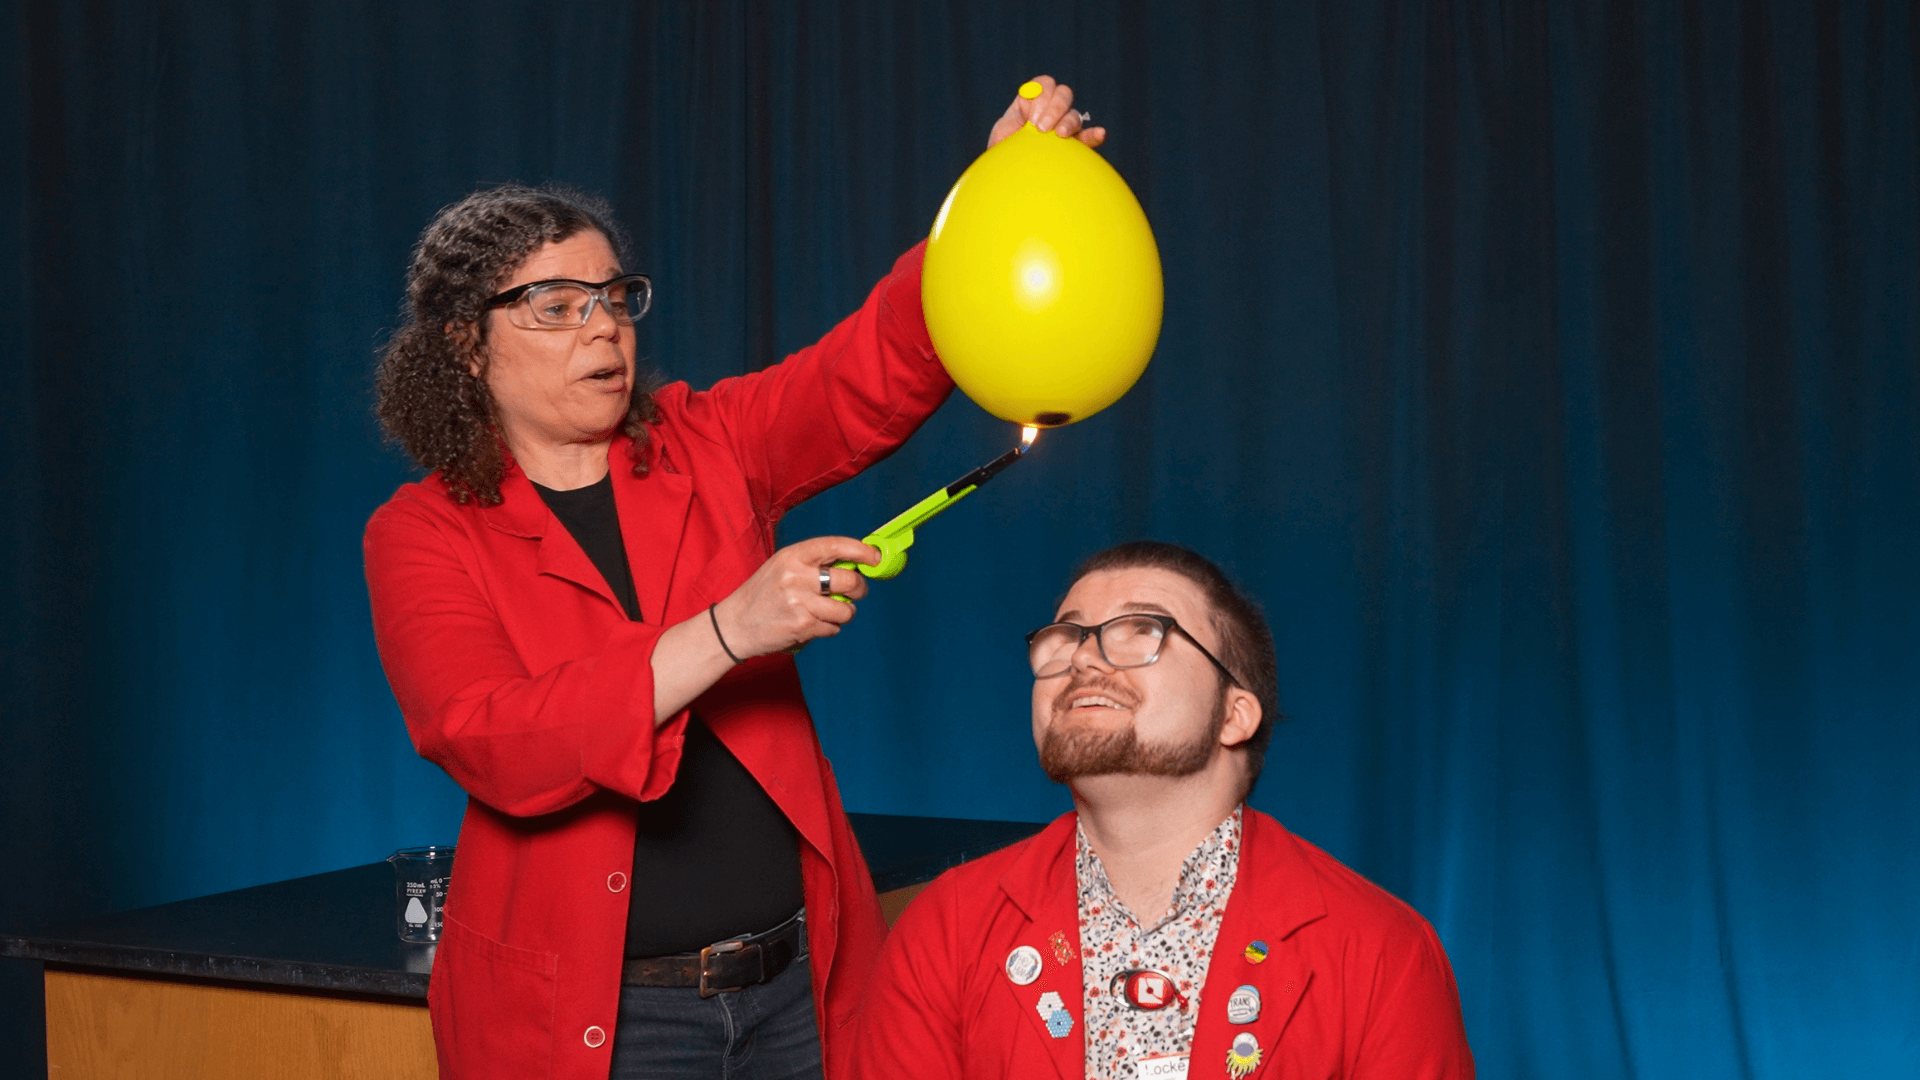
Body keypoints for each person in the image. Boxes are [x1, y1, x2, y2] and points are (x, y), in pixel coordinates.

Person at [363, 78, 1108, 1080]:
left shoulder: (704, 441)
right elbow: (493, 738)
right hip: (605, 1020)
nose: (603, 327)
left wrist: (989, 203)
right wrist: (727, 631)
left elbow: (867, 373)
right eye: (556, 306)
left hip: (792, 993)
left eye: (616, 298)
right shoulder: (420, 534)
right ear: (466, 344)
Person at [849, 541, 1475, 1080]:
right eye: (1065, 638)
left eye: (1142, 631)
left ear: (1234, 715)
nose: (1084, 659)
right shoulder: (944, 929)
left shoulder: (1381, 952)